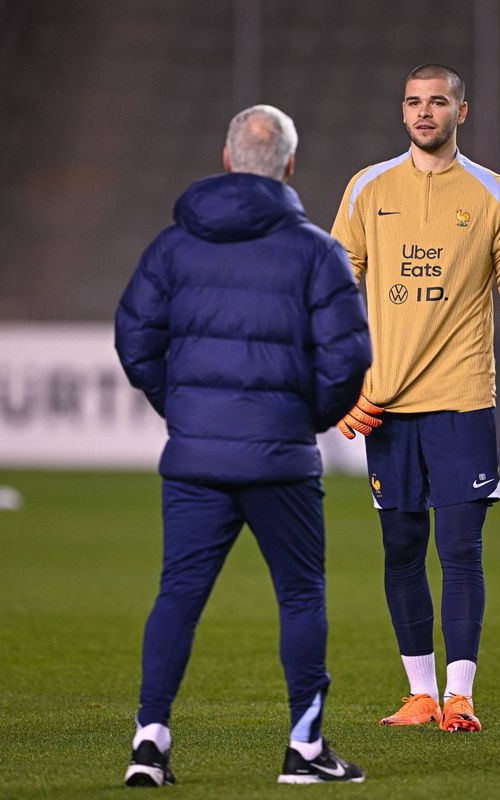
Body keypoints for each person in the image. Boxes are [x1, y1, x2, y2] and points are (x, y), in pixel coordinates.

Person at [115, 104, 371, 786]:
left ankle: (149, 743)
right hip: (280, 458)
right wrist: (305, 417)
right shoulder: (316, 251)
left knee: (178, 594)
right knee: (301, 596)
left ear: (227, 160)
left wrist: (184, 407)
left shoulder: (173, 246)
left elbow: (134, 338)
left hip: (196, 457)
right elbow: (349, 356)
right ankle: (304, 750)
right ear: (289, 165)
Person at [330, 64, 500, 733]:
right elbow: (330, 291)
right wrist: (338, 383)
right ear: (402, 113)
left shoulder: (495, 194)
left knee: (459, 548)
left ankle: (460, 696)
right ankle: (420, 694)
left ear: (462, 111)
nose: (425, 112)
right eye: (413, 102)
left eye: (438, 102)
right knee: (400, 549)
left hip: (462, 400)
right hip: (386, 406)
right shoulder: (367, 188)